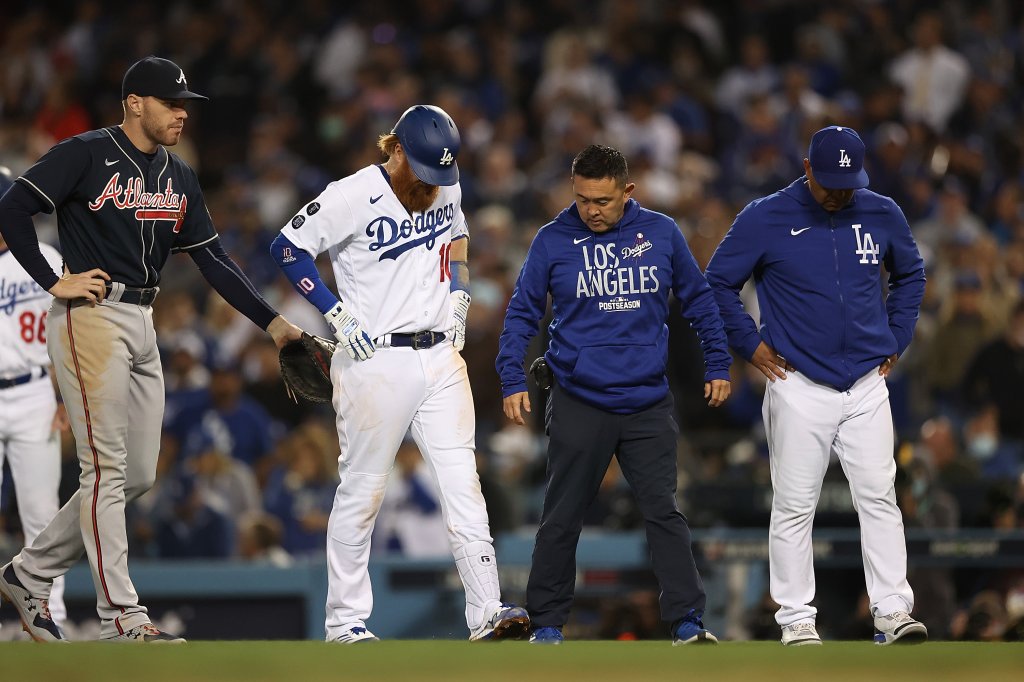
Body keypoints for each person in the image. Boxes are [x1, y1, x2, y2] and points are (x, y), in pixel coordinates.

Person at [0, 56, 303, 643]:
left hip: (143, 319)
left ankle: (29, 572)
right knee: (105, 471)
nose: (182, 113)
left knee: (137, 473)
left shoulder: (179, 174)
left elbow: (213, 260)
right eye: (172, 103)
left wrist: (274, 324)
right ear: (135, 102)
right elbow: (13, 207)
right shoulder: (83, 153)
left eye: (186, 105)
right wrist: (49, 279)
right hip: (90, 315)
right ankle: (123, 616)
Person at [270, 104, 529, 643]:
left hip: (440, 355)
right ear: (395, 150)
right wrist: (332, 309)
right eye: (425, 171)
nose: (434, 183)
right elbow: (287, 248)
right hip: (373, 359)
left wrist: (459, 290)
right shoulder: (351, 194)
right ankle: (343, 622)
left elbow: (457, 234)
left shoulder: (445, 181)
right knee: (363, 490)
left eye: (442, 173)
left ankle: (486, 610)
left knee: (463, 481)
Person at [496, 144, 732, 645]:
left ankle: (688, 622)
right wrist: (512, 378)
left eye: (602, 200)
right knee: (561, 516)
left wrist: (717, 362)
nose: (591, 210)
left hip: (647, 399)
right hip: (580, 397)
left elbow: (700, 302)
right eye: (582, 199)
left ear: (627, 191)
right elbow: (522, 313)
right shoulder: (552, 239)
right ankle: (547, 625)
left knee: (664, 511)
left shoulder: (663, 233)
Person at [704, 125, 929, 646]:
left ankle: (893, 611)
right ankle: (796, 618)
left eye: (849, 182)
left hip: (868, 382)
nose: (840, 192)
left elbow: (911, 275)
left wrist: (898, 335)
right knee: (794, 502)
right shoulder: (766, 216)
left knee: (880, 497)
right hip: (798, 381)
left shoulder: (880, 211)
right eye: (831, 182)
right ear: (807, 169)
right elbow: (716, 281)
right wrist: (748, 344)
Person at [0, 166, 69, 633]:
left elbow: (68, 329)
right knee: (42, 515)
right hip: (35, 390)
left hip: (35, 391)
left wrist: (64, 396)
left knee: (42, 515)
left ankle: (50, 615)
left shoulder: (42, 254)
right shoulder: (42, 253)